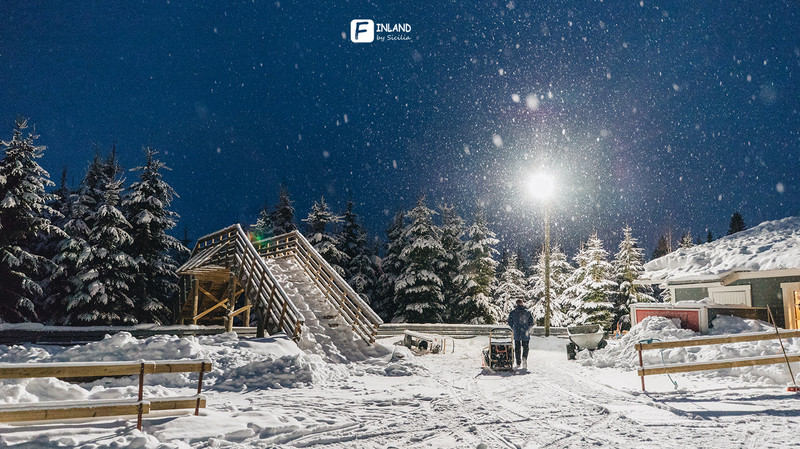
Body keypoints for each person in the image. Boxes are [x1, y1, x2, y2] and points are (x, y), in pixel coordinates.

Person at [507, 299, 533, 369]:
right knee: (525, 347)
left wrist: (514, 328)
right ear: (522, 304)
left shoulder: (513, 312)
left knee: (517, 348)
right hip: (525, 333)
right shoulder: (527, 312)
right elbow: (531, 322)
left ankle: (518, 362)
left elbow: (509, 322)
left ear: (516, 304)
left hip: (517, 332)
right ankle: (524, 359)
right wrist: (528, 329)